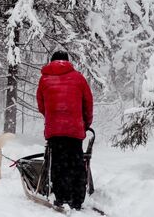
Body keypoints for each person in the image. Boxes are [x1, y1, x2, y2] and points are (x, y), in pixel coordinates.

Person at [36, 50, 94, 210]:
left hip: (55, 131)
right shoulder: (78, 78)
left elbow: (41, 105)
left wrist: (52, 117)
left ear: (51, 61)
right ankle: (77, 199)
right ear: (67, 61)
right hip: (75, 129)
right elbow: (88, 103)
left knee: (58, 163)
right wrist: (86, 123)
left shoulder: (44, 79)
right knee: (76, 163)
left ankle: (61, 197)